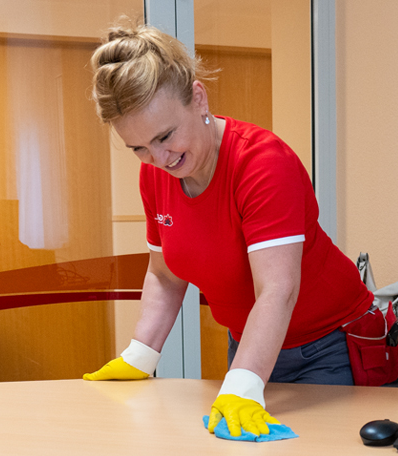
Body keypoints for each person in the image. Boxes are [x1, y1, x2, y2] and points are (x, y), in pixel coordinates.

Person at [81, 22, 374, 440]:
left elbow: (277, 289)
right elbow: (165, 276)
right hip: (250, 344)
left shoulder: (263, 163)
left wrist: (243, 386)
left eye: (165, 136)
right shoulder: (157, 175)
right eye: (139, 148)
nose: (159, 159)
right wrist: (140, 355)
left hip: (328, 347)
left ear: (198, 98)